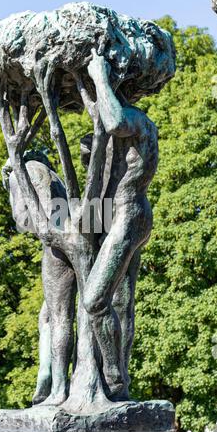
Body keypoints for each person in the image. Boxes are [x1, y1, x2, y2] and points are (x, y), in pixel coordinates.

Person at [81, 49, 159, 400]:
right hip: (113, 215)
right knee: (123, 302)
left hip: (130, 215)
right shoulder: (116, 125)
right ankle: (119, 386)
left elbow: (112, 121)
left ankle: (113, 378)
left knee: (95, 300)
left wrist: (97, 74)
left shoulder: (137, 121)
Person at [2, 152, 77, 406]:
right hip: (77, 241)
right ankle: (49, 377)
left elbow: (23, 219)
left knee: (58, 318)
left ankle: (56, 386)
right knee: (48, 316)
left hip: (56, 246)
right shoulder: (55, 177)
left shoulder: (20, 173)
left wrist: (12, 188)